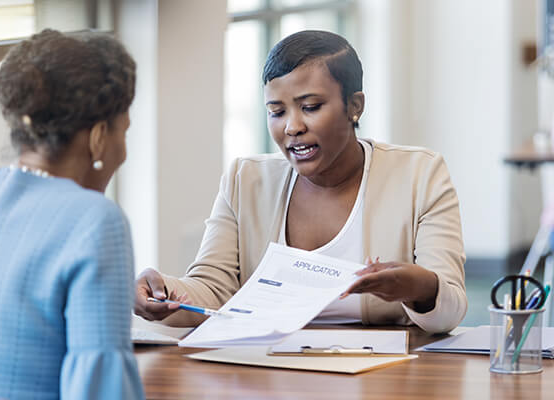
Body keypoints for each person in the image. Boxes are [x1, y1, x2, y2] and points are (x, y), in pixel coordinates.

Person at [134, 30, 467, 334]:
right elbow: (213, 291)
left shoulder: (420, 175)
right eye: (277, 112)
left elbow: (450, 309)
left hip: (382, 375)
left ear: (355, 106)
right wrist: (162, 289)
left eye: (310, 107)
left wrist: (420, 288)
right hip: (269, 371)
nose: (292, 127)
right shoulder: (245, 180)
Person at [0, 29, 144, 399]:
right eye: (124, 131)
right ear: (98, 136)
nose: (123, 149)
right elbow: (101, 390)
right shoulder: (95, 220)